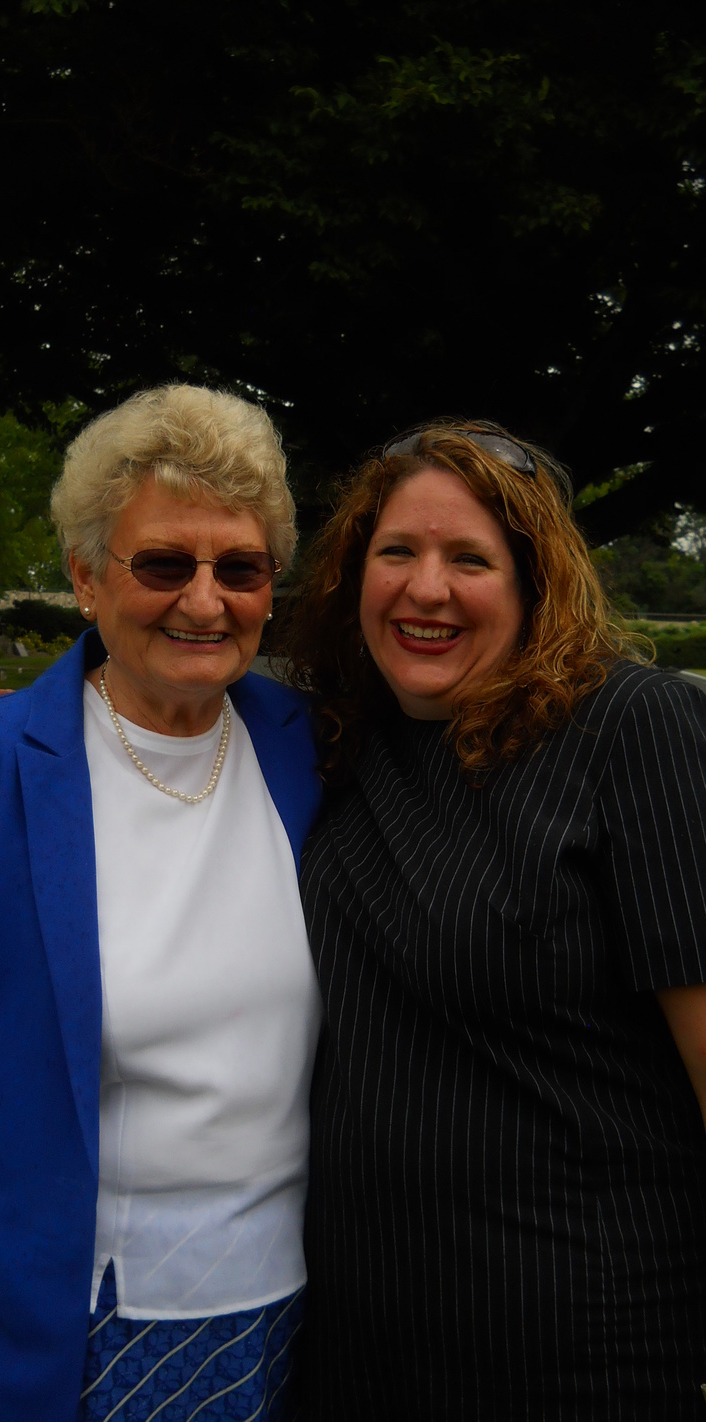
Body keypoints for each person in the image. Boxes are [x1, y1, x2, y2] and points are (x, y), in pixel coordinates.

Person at [0, 383, 323, 1422]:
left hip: (304, 1316)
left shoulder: (313, 748)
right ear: (87, 579)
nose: (203, 599)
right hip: (74, 1331)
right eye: (162, 564)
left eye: (239, 568)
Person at [281, 420, 706, 1420]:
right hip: (356, 1354)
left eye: (468, 559)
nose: (425, 589)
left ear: (532, 583)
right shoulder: (342, 738)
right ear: (352, 573)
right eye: (396, 552)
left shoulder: (629, 731)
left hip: (580, 1353)